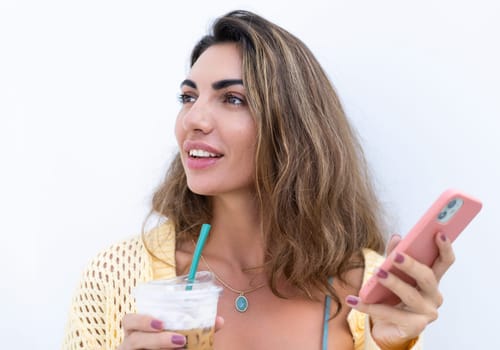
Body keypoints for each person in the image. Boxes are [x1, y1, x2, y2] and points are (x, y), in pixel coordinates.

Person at [62, 10, 455, 350]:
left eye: (232, 99)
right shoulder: (115, 277)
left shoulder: (369, 291)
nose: (193, 119)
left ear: (292, 127)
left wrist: (392, 345)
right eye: (188, 97)